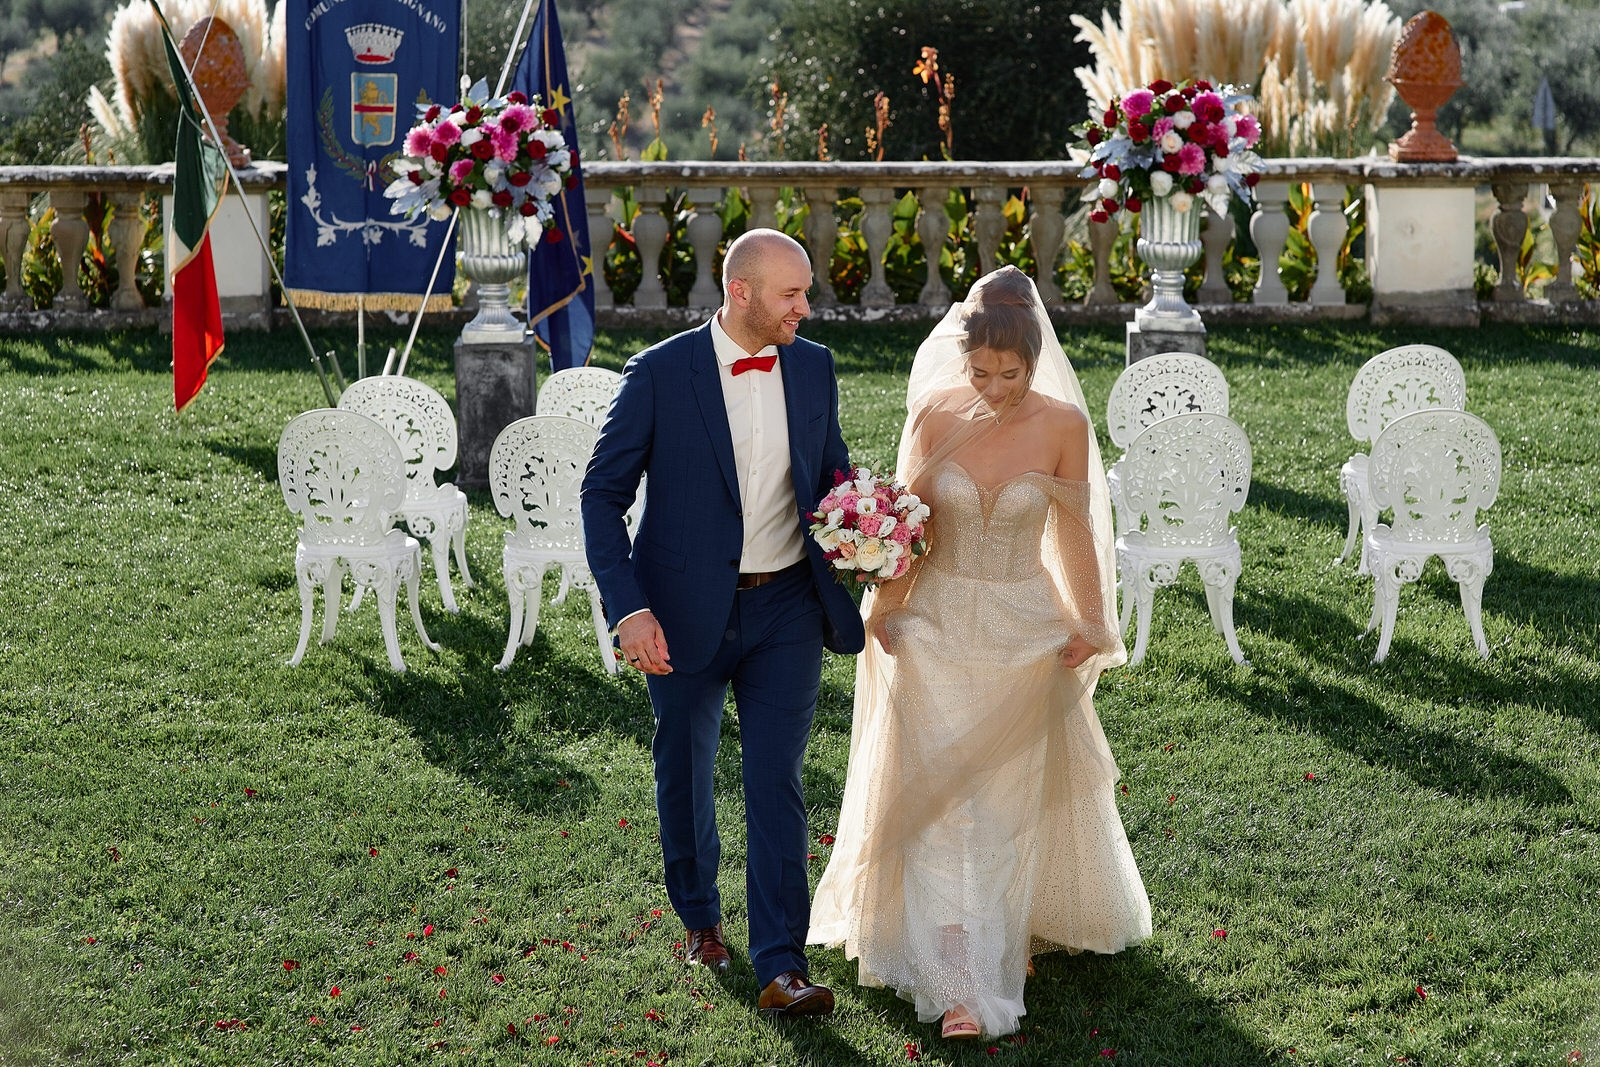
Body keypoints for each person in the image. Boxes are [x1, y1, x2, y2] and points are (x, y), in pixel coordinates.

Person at [808, 266, 1151, 1039]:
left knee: (1004, 803)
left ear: (1035, 360)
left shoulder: (1063, 424)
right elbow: (907, 527)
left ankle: (1011, 925)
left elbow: (1074, 534)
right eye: (980, 371)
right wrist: (888, 609)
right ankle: (961, 977)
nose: (994, 387)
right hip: (938, 622)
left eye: (1011, 373)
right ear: (960, 359)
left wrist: (1091, 623)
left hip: (1026, 623)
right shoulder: (934, 414)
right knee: (944, 807)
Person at [582, 228, 866, 1017]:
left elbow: (830, 468)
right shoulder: (660, 374)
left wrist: (869, 521)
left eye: (806, 292)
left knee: (777, 778)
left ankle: (781, 963)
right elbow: (601, 495)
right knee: (686, 763)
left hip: (787, 607)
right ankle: (700, 915)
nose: (806, 308)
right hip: (678, 610)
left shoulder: (813, 365)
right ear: (741, 292)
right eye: (792, 294)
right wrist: (628, 607)